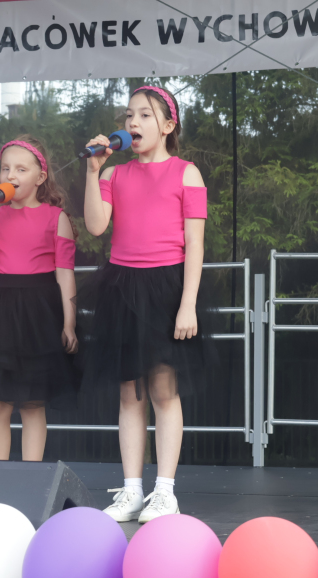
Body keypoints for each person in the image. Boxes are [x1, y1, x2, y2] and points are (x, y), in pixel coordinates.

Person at [80, 86, 209, 523]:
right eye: (128, 115)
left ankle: (165, 491)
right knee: (129, 392)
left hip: (166, 287)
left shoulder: (186, 173)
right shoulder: (115, 175)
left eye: (144, 115)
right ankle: (132, 489)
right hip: (122, 287)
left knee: (163, 390)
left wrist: (187, 303)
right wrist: (93, 171)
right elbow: (96, 226)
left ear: (168, 125)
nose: (132, 122)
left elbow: (195, 244)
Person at [0, 135, 78, 461]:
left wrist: (69, 324)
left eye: (21, 169)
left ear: (40, 177)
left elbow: (65, 274)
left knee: (32, 403)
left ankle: (31, 477)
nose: (11, 175)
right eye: (6, 168)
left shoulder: (56, 217)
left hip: (39, 315)